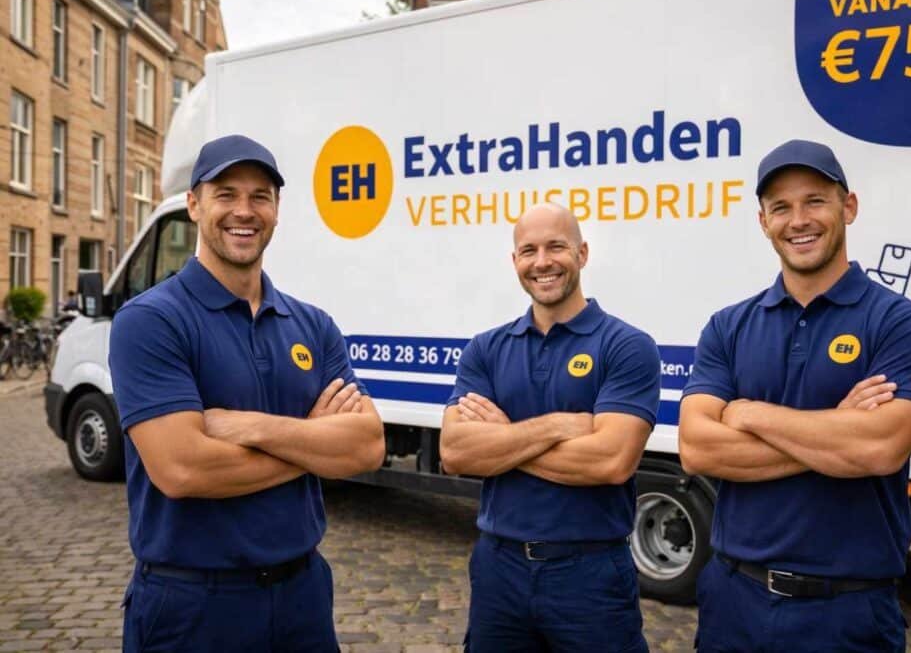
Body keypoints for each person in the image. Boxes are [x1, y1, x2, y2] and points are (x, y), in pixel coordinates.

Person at [109, 134, 385, 652]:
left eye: (260, 196)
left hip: (302, 597)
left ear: (277, 211)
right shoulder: (150, 321)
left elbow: (367, 447)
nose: (244, 210)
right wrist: (314, 446)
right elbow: (182, 469)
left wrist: (252, 427)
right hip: (194, 605)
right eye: (226, 194)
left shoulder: (312, 324)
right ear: (194, 205)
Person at [678, 139, 911, 652]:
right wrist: (836, 430)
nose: (798, 220)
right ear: (764, 222)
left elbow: (879, 448)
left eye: (814, 201)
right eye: (780, 207)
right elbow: (697, 448)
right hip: (733, 602)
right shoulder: (728, 327)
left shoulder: (903, 324)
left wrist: (749, 413)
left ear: (849, 207)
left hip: (846, 613)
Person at [440, 202, 661, 652]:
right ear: (515, 261)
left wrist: (503, 440)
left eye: (556, 247)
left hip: (590, 575)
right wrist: (557, 426)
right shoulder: (486, 349)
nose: (542, 262)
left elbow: (611, 461)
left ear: (582, 253)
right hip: (499, 570)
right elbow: (456, 453)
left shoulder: (626, 346)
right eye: (529, 251)